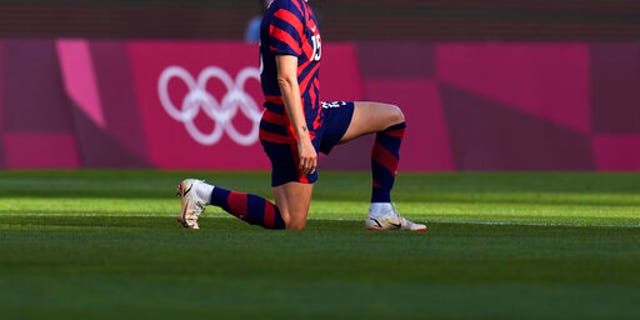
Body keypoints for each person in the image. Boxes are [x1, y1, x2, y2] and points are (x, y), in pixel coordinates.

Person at [176, 0, 427, 231]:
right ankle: (203, 193)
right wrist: (303, 138)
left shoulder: (299, 6)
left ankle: (381, 211)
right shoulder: (287, 9)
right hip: (291, 126)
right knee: (291, 222)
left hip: (315, 115)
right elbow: (286, 78)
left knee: (392, 118)